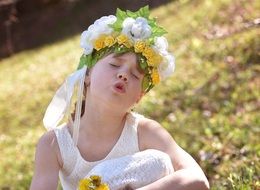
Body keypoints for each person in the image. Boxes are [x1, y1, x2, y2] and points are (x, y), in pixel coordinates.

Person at [30, 6, 209, 190]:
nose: (123, 74)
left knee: (158, 161)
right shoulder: (55, 144)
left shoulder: (144, 132)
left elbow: (197, 179)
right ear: (88, 74)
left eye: (135, 75)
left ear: (139, 96)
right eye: (115, 64)